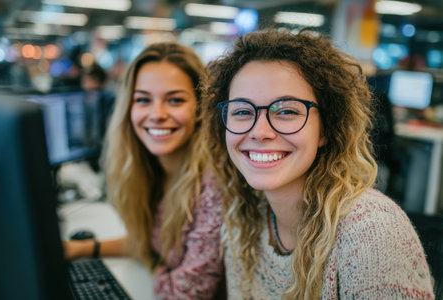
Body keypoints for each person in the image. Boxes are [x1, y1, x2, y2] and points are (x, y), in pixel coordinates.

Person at [202, 29, 435, 299]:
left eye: (287, 111)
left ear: (325, 128)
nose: (260, 131)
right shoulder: (242, 217)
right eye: (242, 111)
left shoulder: (371, 233)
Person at [64, 42, 224, 299]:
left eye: (174, 100)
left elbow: (184, 295)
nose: (157, 114)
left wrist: (153, 265)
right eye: (143, 100)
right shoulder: (152, 171)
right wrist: (80, 249)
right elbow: (150, 243)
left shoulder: (214, 186)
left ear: (199, 109)